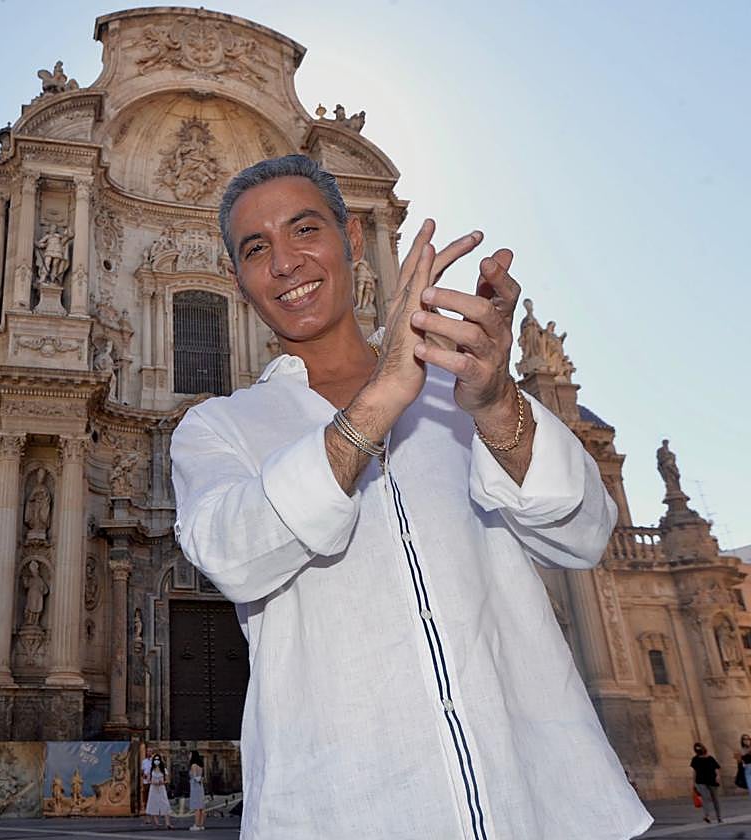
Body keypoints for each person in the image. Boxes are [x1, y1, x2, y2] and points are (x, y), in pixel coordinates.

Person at [170, 155, 651, 839]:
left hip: (543, 807)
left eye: (305, 230)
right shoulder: (216, 429)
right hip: (341, 815)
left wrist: (497, 403)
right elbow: (233, 554)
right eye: (255, 249)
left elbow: (582, 533)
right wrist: (381, 399)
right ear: (236, 277)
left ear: (352, 239)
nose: (284, 262)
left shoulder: (465, 395)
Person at [691, 742, 721, 822]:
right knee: (705, 798)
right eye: (696, 748)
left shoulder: (710, 758)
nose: (698, 750)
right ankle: (707, 815)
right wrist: (693, 783)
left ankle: (719, 816)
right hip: (700, 781)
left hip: (712, 780)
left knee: (715, 799)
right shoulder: (695, 759)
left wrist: (717, 776)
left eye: (699, 747)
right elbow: (694, 771)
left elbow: (716, 768)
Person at [144, 753, 172, 830]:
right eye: (155, 759)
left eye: (158, 759)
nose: (157, 761)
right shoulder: (151, 770)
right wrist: (153, 782)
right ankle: (156, 823)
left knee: (165, 804)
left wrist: (162, 782)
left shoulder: (164, 770)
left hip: (161, 788)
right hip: (153, 788)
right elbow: (148, 780)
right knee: (153, 804)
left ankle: (168, 823)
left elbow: (168, 780)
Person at [188, 750, 206, 831]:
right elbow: (201, 777)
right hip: (200, 786)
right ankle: (201, 824)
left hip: (195, 787)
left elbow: (195, 777)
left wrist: (196, 779)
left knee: (197, 807)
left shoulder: (193, 765)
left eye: (190, 754)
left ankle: (196, 824)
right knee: (201, 807)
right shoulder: (200, 766)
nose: (189, 756)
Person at [140, 752, 154, 824]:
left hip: (153, 783)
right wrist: (144, 776)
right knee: (146, 799)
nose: (149, 753)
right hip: (146, 783)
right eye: (148, 751)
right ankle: (147, 817)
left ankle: (154, 817)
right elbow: (142, 772)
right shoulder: (144, 761)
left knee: (152, 800)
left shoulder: (154, 761)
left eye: (150, 751)